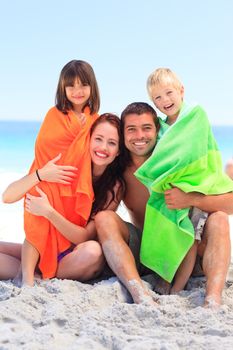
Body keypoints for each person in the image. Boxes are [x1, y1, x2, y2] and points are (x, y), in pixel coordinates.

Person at [94, 102, 233, 307]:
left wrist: (192, 199)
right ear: (123, 135)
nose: (140, 136)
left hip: (191, 254)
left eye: (147, 128)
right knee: (104, 218)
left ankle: (213, 299)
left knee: (219, 218)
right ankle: (139, 293)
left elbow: (230, 203)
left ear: (157, 130)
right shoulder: (120, 172)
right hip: (149, 256)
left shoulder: (176, 163)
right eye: (131, 129)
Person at [135, 68, 233, 299]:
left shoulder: (195, 116)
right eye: (157, 98)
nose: (164, 100)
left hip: (198, 187)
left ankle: (213, 296)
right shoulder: (159, 130)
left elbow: (192, 153)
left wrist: (190, 194)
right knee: (181, 231)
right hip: (172, 196)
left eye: (169, 93)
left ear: (181, 90)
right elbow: (163, 159)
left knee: (213, 222)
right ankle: (171, 282)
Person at [1, 114, 125, 285]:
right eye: (98, 139)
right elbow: (8, 196)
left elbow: (83, 238)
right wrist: (41, 174)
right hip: (44, 247)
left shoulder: (114, 186)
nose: (103, 147)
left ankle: (39, 275)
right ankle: (32, 273)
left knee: (93, 252)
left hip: (73, 256)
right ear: (87, 140)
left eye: (112, 143)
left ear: (118, 151)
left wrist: (48, 212)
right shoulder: (69, 166)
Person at [22, 59, 100, 286]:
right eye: (71, 86)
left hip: (72, 186)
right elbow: (43, 148)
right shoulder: (53, 114)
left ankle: (43, 269)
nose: (77, 91)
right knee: (37, 227)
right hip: (46, 179)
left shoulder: (95, 119)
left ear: (92, 87)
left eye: (83, 85)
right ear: (62, 88)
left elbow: (91, 153)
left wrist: (84, 126)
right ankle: (26, 278)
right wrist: (47, 174)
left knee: (59, 231)